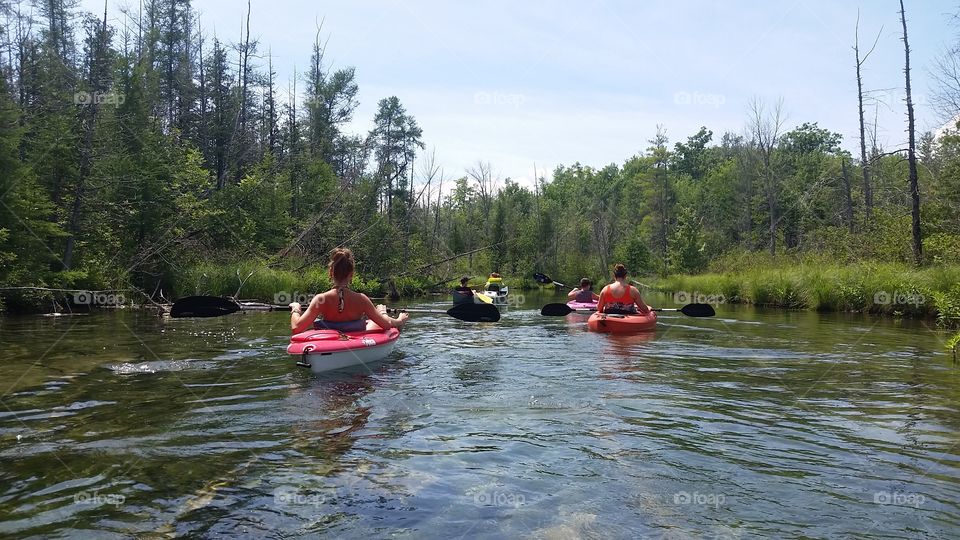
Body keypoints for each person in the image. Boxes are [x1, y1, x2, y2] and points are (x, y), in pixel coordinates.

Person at [289, 248, 408, 334]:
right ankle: (397, 320)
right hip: (356, 341)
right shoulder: (362, 299)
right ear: (351, 275)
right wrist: (384, 313)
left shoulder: (320, 299)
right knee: (376, 320)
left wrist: (296, 309)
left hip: (330, 343)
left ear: (330, 272)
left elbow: (296, 328)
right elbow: (386, 325)